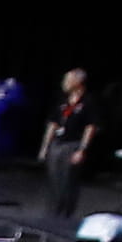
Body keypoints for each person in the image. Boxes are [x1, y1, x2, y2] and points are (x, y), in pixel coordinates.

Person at [38, 68, 95, 227]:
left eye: (68, 80)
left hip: (72, 145)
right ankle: (52, 215)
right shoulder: (62, 101)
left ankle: (66, 217)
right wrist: (45, 147)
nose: (65, 84)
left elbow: (90, 128)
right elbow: (53, 124)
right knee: (54, 181)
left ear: (78, 83)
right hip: (57, 144)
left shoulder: (88, 102)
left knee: (68, 182)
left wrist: (82, 150)